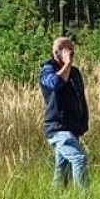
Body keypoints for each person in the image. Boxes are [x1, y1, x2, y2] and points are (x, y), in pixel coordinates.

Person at [40, 36, 91, 189]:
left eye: (73, 53)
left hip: (72, 127)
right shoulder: (47, 71)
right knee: (78, 159)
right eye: (69, 52)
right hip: (58, 128)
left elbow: (80, 97)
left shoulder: (75, 73)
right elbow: (55, 84)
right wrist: (67, 63)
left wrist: (82, 122)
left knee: (62, 170)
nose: (72, 56)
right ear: (58, 53)